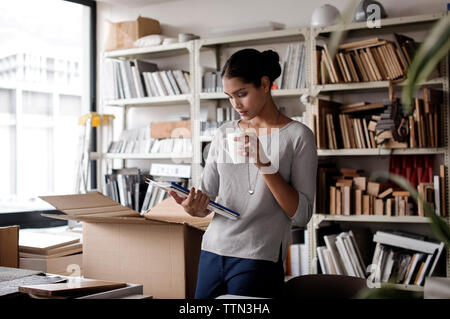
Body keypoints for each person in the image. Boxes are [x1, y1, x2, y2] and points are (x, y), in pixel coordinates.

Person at [169, 48, 317, 299]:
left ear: (265, 84)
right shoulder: (225, 133)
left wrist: (265, 164)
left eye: (242, 94)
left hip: (259, 257)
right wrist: (194, 208)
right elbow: (210, 197)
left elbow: (302, 215)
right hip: (212, 251)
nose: (235, 104)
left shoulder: (297, 137)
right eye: (229, 97)